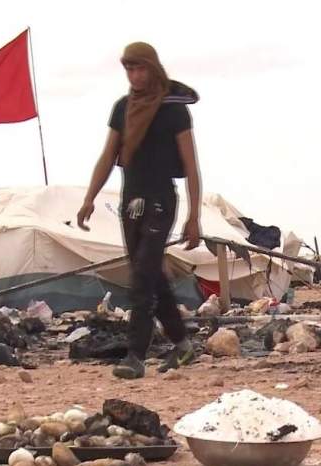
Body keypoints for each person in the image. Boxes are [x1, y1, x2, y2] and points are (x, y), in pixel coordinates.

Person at [77, 42, 201, 380]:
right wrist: (89, 198)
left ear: (153, 68)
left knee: (142, 278)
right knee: (151, 276)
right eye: (129, 69)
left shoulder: (173, 109)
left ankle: (136, 355)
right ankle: (183, 343)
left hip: (161, 200)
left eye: (140, 68)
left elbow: (191, 165)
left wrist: (194, 216)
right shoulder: (122, 108)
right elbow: (108, 155)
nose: (135, 76)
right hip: (130, 202)